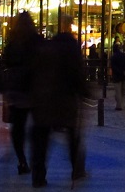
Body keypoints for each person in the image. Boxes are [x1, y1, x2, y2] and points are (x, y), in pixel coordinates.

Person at [30, 15, 88, 187]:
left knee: (43, 137)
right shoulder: (71, 49)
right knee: (72, 135)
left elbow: (35, 72)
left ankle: (38, 175)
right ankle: (77, 169)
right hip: (66, 98)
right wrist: (84, 92)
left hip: (45, 98)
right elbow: (77, 74)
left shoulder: (47, 48)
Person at [1, 12, 42, 175]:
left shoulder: (12, 42)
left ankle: (22, 160)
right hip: (34, 89)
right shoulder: (37, 41)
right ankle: (37, 162)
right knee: (38, 127)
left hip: (17, 90)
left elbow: (6, 62)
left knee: (18, 127)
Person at [110, 43, 125, 110]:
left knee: (118, 91)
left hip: (117, 76)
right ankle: (122, 103)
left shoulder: (114, 57)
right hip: (124, 75)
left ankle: (119, 105)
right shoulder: (124, 56)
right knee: (123, 91)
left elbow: (113, 66)